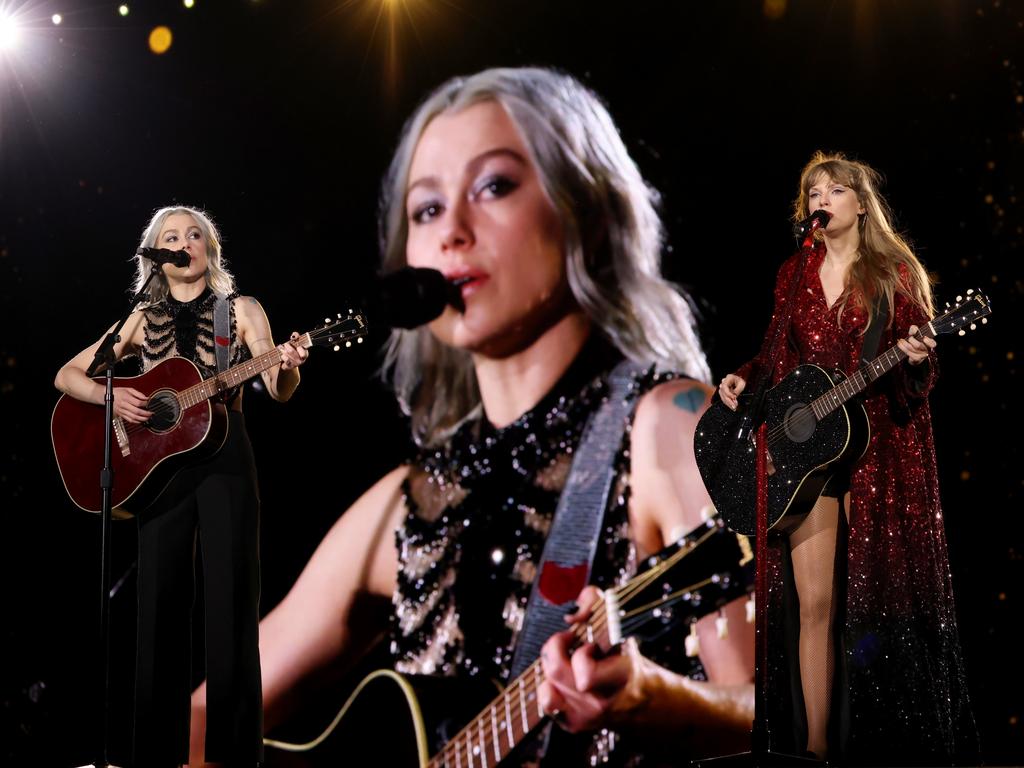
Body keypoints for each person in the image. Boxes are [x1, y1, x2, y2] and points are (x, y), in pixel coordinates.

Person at [188, 66, 756, 767]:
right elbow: (205, 717)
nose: (452, 232)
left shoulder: (668, 427)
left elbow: (787, 720)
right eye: (426, 210)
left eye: (495, 186)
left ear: (584, 206)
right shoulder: (410, 502)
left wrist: (650, 698)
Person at [718, 152, 978, 764]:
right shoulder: (793, 274)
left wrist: (917, 359)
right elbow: (778, 358)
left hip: (878, 449)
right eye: (814, 190)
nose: (822, 198)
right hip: (811, 459)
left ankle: (883, 744)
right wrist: (744, 378)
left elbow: (922, 371)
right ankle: (814, 748)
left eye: (836, 189)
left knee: (875, 599)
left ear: (861, 204)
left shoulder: (892, 272)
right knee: (814, 604)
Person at [55, 206, 309, 767]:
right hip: (157, 466)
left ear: (210, 249)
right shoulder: (141, 318)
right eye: (171, 236)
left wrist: (287, 363)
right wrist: (111, 395)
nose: (184, 242)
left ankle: (235, 755)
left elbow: (278, 386)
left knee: (232, 606)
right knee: (158, 610)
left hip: (226, 460)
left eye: (194, 234)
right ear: (156, 252)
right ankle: (155, 755)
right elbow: (67, 375)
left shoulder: (239, 309)